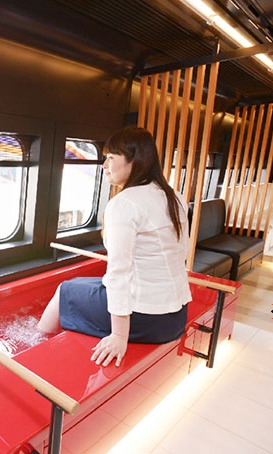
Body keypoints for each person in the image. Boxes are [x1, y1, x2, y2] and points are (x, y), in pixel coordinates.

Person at [38, 127, 192, 367]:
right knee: (80, 285)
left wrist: (119, 336)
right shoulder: (174, 196)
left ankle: (37, 347)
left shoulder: (125, 203)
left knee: (64, 291)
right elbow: (182, 252)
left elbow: (120, 273)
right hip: (176, 316)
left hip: (145, 318)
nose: (104, 165)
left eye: (111, 157)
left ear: (135, 160)